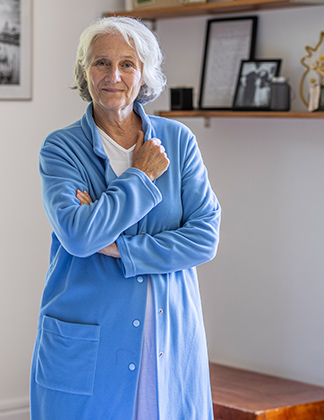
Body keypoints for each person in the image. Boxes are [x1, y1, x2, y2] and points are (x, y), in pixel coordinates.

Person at [30, 16, 221, 420]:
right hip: (90, 342)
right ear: (85, 71)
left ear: (144, 73)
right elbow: (80, 238)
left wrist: (118, 246)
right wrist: (141, 175)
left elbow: (204, 237)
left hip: (168, 336)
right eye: (101, 62)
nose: (113, 75)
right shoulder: (61, 149)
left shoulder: (178, 141)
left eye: (127, 64)